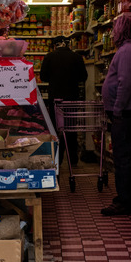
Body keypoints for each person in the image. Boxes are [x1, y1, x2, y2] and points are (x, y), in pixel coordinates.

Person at [101, 15, 131, 216]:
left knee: (123, 158)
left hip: (126, 113)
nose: (112, 33)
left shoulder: (127, 51)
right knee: (127, 156)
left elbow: (125, 83)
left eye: (114, 29)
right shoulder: (130, 49)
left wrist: (117, 109)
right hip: (128, 111)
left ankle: (125, 201)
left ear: (121, 30)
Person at [40, 36, 88, 166]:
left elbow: (43, 77)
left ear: (55, 45)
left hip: (55, 98)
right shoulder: (76, 57)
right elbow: (83, 76)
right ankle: (73, 160)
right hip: (71, 98)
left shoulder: (49, 57)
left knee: (55, 129)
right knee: (71, 129)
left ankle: (56, 159)